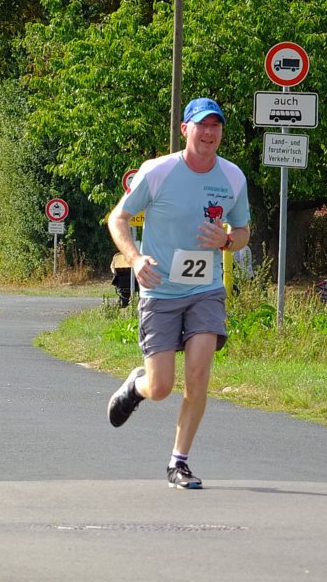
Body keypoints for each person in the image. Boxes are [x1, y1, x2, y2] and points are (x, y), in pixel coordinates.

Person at [106, 97, 251, 490]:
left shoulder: (233, 177)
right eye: (201, 126)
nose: (209, 134)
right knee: (162, 387)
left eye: (216, 126)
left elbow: (242, 233)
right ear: (185, 129)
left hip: (206, 291)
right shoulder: (158, 172)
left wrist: (226, 240)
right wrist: (135, 259)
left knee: (199, 376)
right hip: (161, 292)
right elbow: (117, 218)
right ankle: (138, 386)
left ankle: (179, 462)